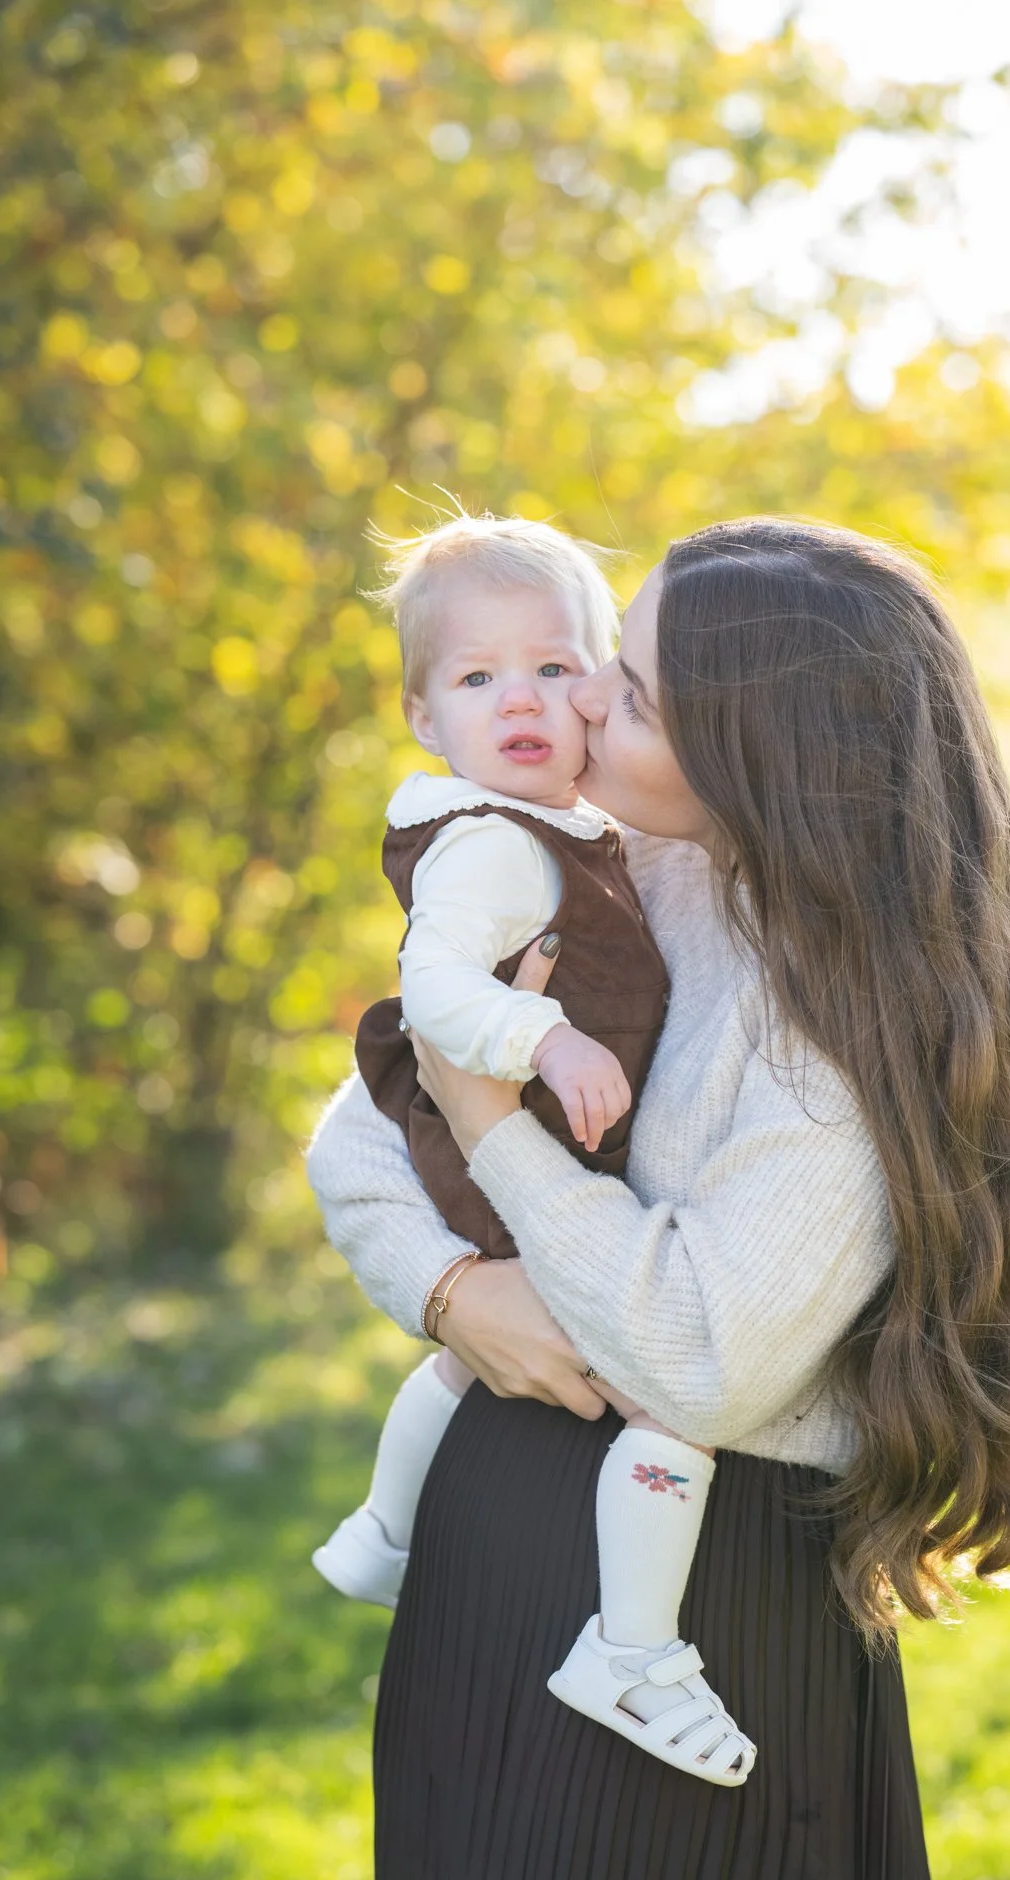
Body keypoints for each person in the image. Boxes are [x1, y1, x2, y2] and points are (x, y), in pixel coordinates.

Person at [306, 518, 1010, 1880]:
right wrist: (448, 1290)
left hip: (700, 1618)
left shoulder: (842, 1022)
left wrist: (495, 1132)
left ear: (762, 749)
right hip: (498, 1556)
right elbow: (361, 1137)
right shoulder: (611, 872)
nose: (586, 703)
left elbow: (695, 1355)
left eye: (636, 687)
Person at [312, 512, 755, 1783]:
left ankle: (384, 1527)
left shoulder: (577, 835)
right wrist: (547, 1037)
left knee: (463, 1371)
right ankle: (632, 1644)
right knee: (671, 1405)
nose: (521, 698)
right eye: (476, 676)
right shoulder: (500, 844)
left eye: (555, 668)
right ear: (421, 716)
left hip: (532, 1159)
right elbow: (435, 990)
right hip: (523, 1157)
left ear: (606, 684)